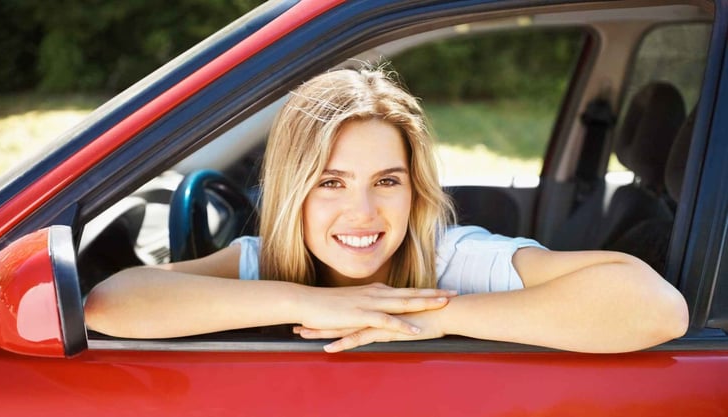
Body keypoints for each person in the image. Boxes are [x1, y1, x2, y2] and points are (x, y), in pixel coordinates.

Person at [84, 67, 688, 353]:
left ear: (415, 190)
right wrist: (313, 300)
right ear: (294, 190)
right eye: (332, 183)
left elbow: (657, 309)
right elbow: (112, 301)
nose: (363, 212)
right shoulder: (259, 262)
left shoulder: (450, 257)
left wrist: (433, 318)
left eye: (388, 181)